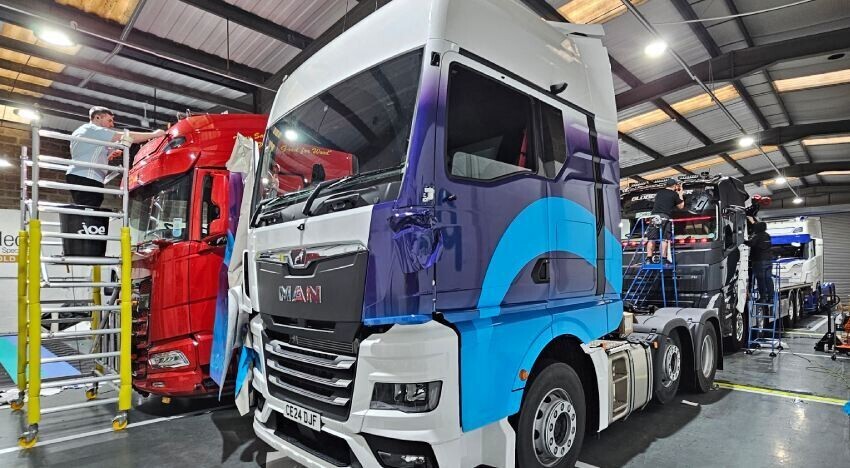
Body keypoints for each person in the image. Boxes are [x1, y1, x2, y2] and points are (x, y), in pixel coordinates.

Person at [66, 106, 165, 207]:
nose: (111, 124)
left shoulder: (83, 131)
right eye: (109, 120)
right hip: (87, 177)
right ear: (97, 118)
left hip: (80, 175)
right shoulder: (93, 129)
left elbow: (88, 153)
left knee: (88, 208)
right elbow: (128, 137)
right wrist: (154, 134)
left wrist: (108, 154)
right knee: (90, 210)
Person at [645, 178, 684, 263]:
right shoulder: (674, 194)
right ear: (674, 186)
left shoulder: (659, 192)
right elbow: (681, 206)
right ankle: (663, 259)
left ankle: (648, 258)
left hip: (654, 216)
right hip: (664, 217)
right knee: (664, 239)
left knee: (651, 239)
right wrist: (680, 194)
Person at [746, 221, 775, 305]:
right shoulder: (767, 236)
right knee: (768, 279)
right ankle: (771, 298)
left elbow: (751, 243)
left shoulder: (757, 236)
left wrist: (743, 241)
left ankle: (763, 298)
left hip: (759, 261)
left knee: (761, 280)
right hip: (768, 261)